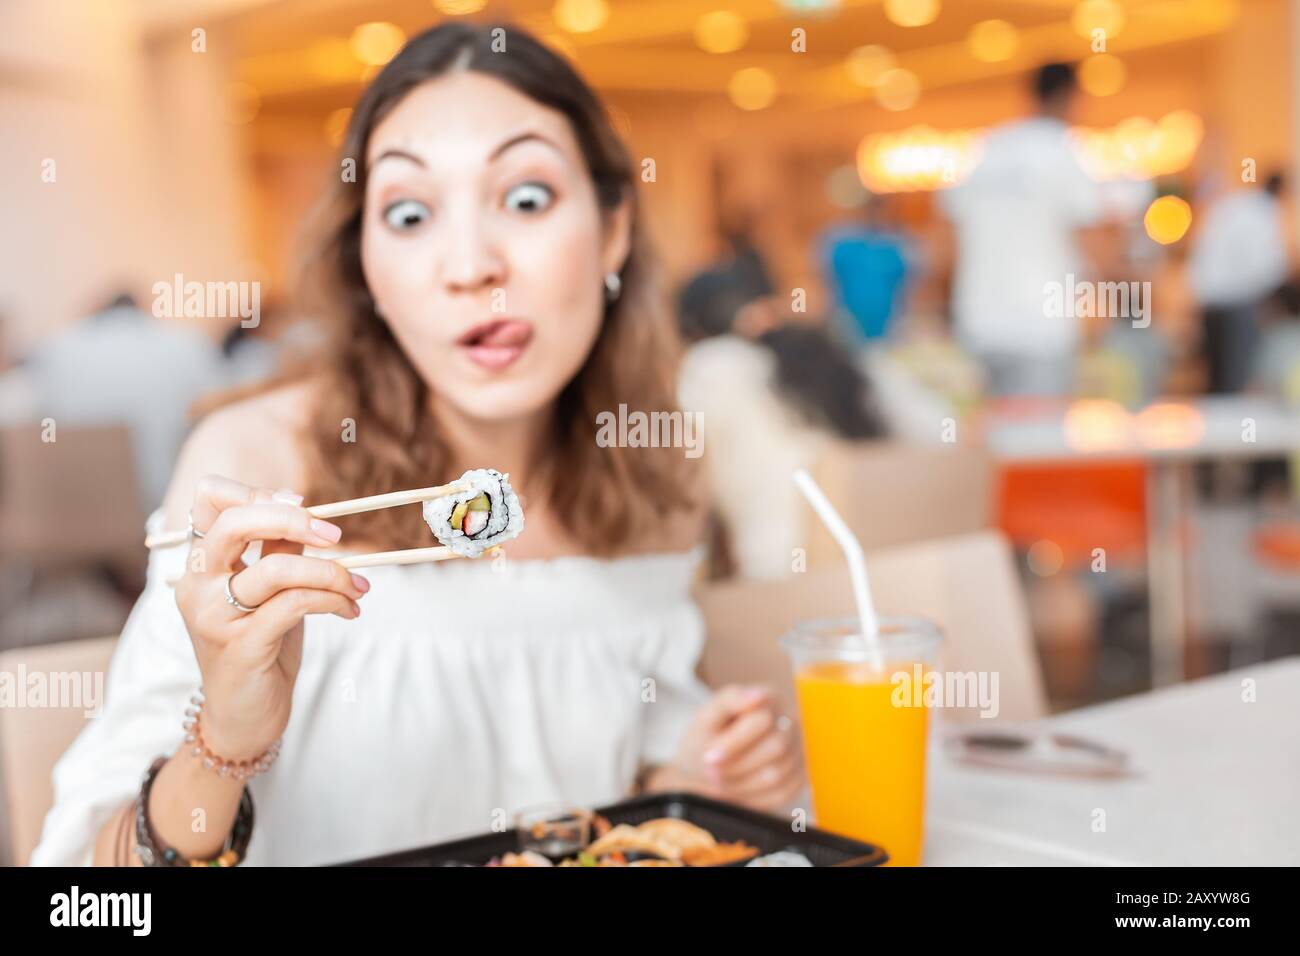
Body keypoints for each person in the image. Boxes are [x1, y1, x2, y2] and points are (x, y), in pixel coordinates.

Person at [32, 23, 801, 867]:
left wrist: (685, 778)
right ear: (366, 265)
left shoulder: (653, 467)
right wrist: (225, 736)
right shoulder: (255, 467)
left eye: (527, 197)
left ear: (614, 230)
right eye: (409, 213)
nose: (470, 265)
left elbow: (592, 789)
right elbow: (88, 896)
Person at [677, 255, 888, 579]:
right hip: (889, 563)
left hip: (780, 581)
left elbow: (681, 492)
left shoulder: (709, 366)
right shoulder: (834, 348)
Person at [939, 62, 1105, 397]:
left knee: (992, 440)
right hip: (1041, 327)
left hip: (979, 322)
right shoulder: (1063, 151)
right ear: (1068, 97)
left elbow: (945, 240)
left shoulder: (986, 149)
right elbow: (1091, 240)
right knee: (1038, 441)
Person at [21, 293, 229, 510]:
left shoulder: (56, 347)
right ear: (143, 311)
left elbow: (31, 417)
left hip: (69, 508)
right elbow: (221, 410)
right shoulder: (186, 343)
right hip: (162, 505)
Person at [1189, 173, 1292, 393]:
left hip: (1208, 300)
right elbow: (1266, 266)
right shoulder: (1263, 213)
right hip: (1237, 303)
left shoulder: (1232, 205)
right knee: (1235, 377)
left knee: (1216, 375)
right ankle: (1235, 426)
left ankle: (1215, 423)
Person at [819, 193, 913, 343]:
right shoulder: (840, 241)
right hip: (846, 322)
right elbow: (822, 281)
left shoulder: (898, 244)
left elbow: (911, 285)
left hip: (890, 326)